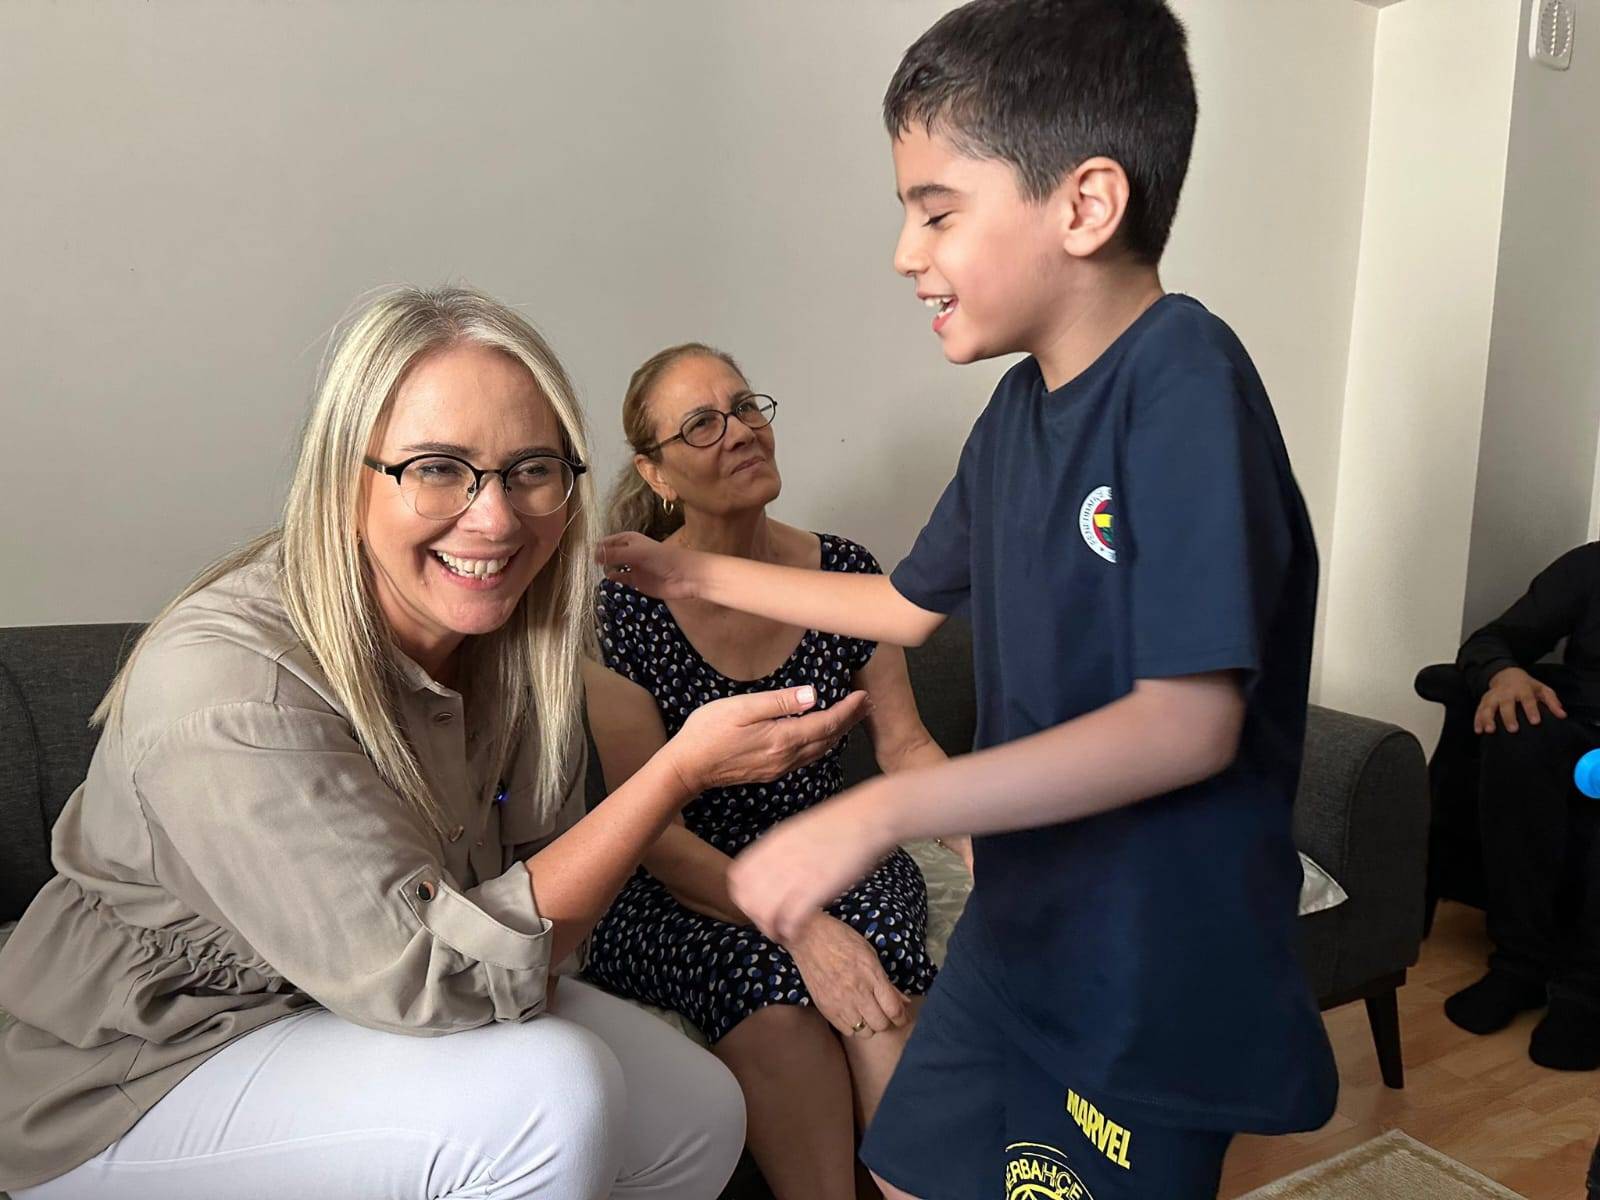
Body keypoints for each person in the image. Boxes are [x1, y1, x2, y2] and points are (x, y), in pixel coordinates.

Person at [600, 2, 1338, 1196]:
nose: (905, 252)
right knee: (906, 1172)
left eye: (936, 211)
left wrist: (883, 810)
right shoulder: (1013, 418)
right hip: (1020, 931)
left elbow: (1187, 724)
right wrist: (686, 569)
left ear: (1085, 205)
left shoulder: (1183, 384)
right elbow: (898, 606)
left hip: (1147, 970)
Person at [0, 285, 868, 1200]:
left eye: (530, 469)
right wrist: (675, 775)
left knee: (701, 1110)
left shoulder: (510, 649)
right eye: (437, 468)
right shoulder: (230, 686)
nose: (495, 519)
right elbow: (438, 977)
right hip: (139, 1073)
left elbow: (541, 928)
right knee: (547, 1099)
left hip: (342, 1013)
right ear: (344, 479)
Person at [581, 341, 964, 1200]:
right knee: (772, 999)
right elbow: (654, 832)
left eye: (745, 406)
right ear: (656, 473)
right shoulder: (623, 611)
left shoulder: (846, 575)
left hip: (827, 851)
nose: (740, 431)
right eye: (701, 424)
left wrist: (983, 846)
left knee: (880, 958)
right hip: (686, 878)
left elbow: (906, 749)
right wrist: (803, 932)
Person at [1443, 542, 1600, 1070]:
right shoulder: (1591, 566)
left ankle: (1586, 994)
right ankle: (1519, 967)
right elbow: (1492, 640)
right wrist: (1502, 674)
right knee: (1517, 734)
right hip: (1579, 727)